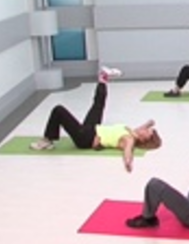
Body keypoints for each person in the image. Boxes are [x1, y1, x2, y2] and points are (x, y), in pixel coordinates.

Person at [29, 67, 162, 172]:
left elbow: (128, 151)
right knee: (98, 104)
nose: (145, 130)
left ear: (144, 139)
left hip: (86, 138)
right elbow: (141, 128)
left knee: (59, 110)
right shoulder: (133, 133)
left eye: (147, 132)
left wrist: (128, 162)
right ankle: (103, 79)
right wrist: (149, 123)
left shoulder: (129, 139)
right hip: (93, 129)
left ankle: (47, 141)